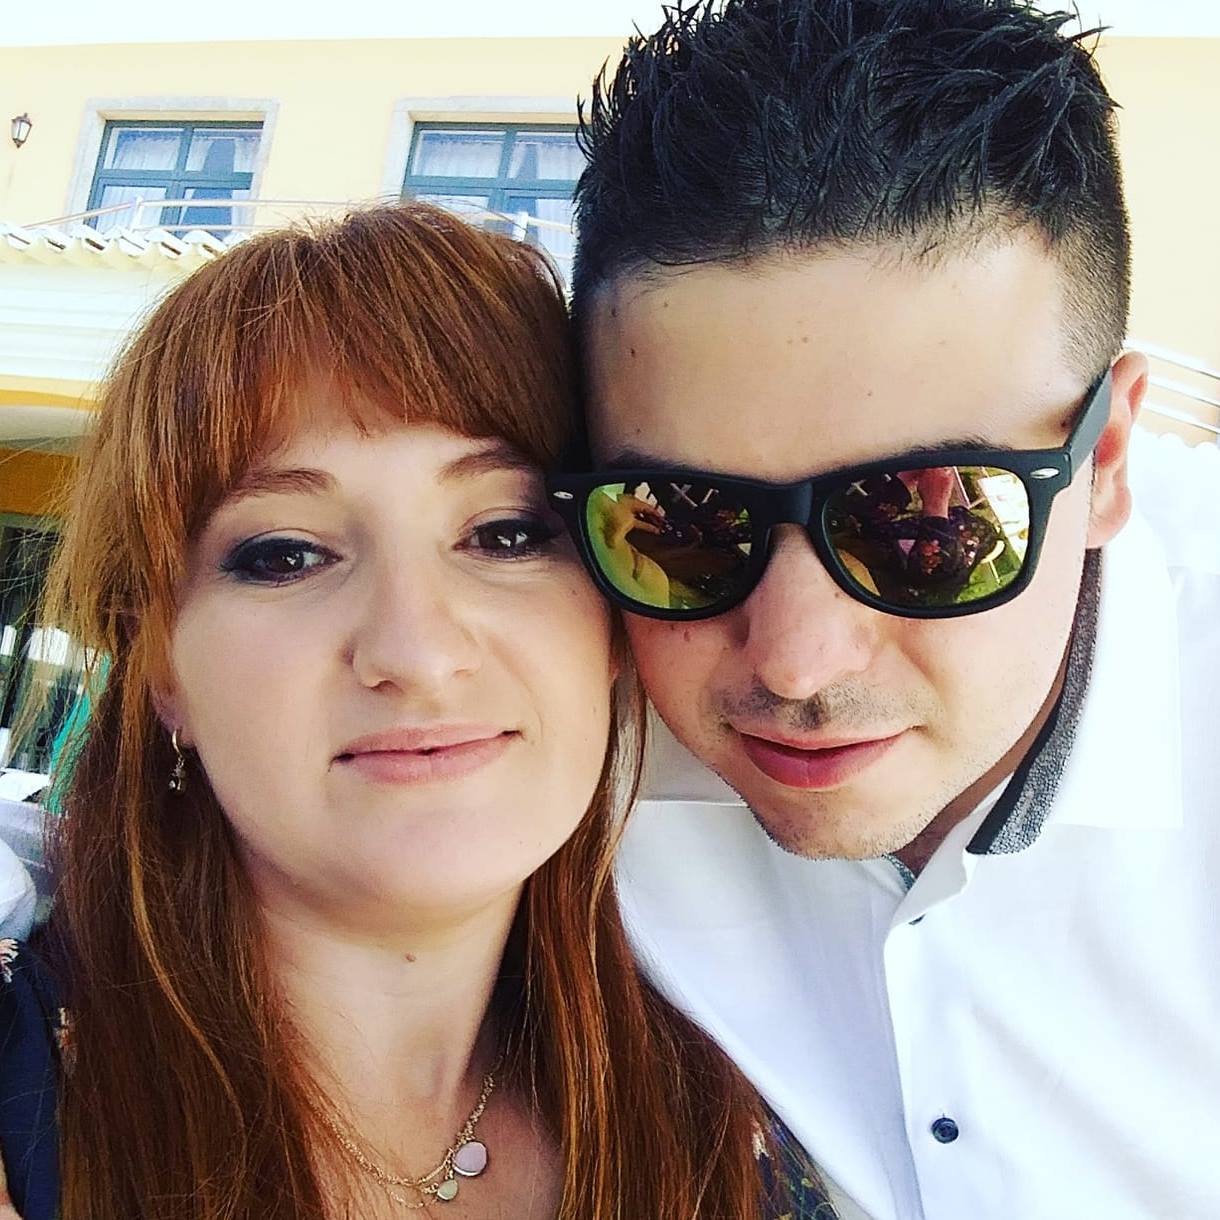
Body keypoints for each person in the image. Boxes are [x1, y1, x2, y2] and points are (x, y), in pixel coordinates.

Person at [0, 204, 835, 1220]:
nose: (417, 651)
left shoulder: (761, 1124)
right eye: (286, 554)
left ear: (617, 624)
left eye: (505, 533)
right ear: (160, 666)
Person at [552, 2, 1220, 1218]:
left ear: (1105, 459)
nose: (794, 662)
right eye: (683, 521)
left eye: (926, 524)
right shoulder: (535, 722)